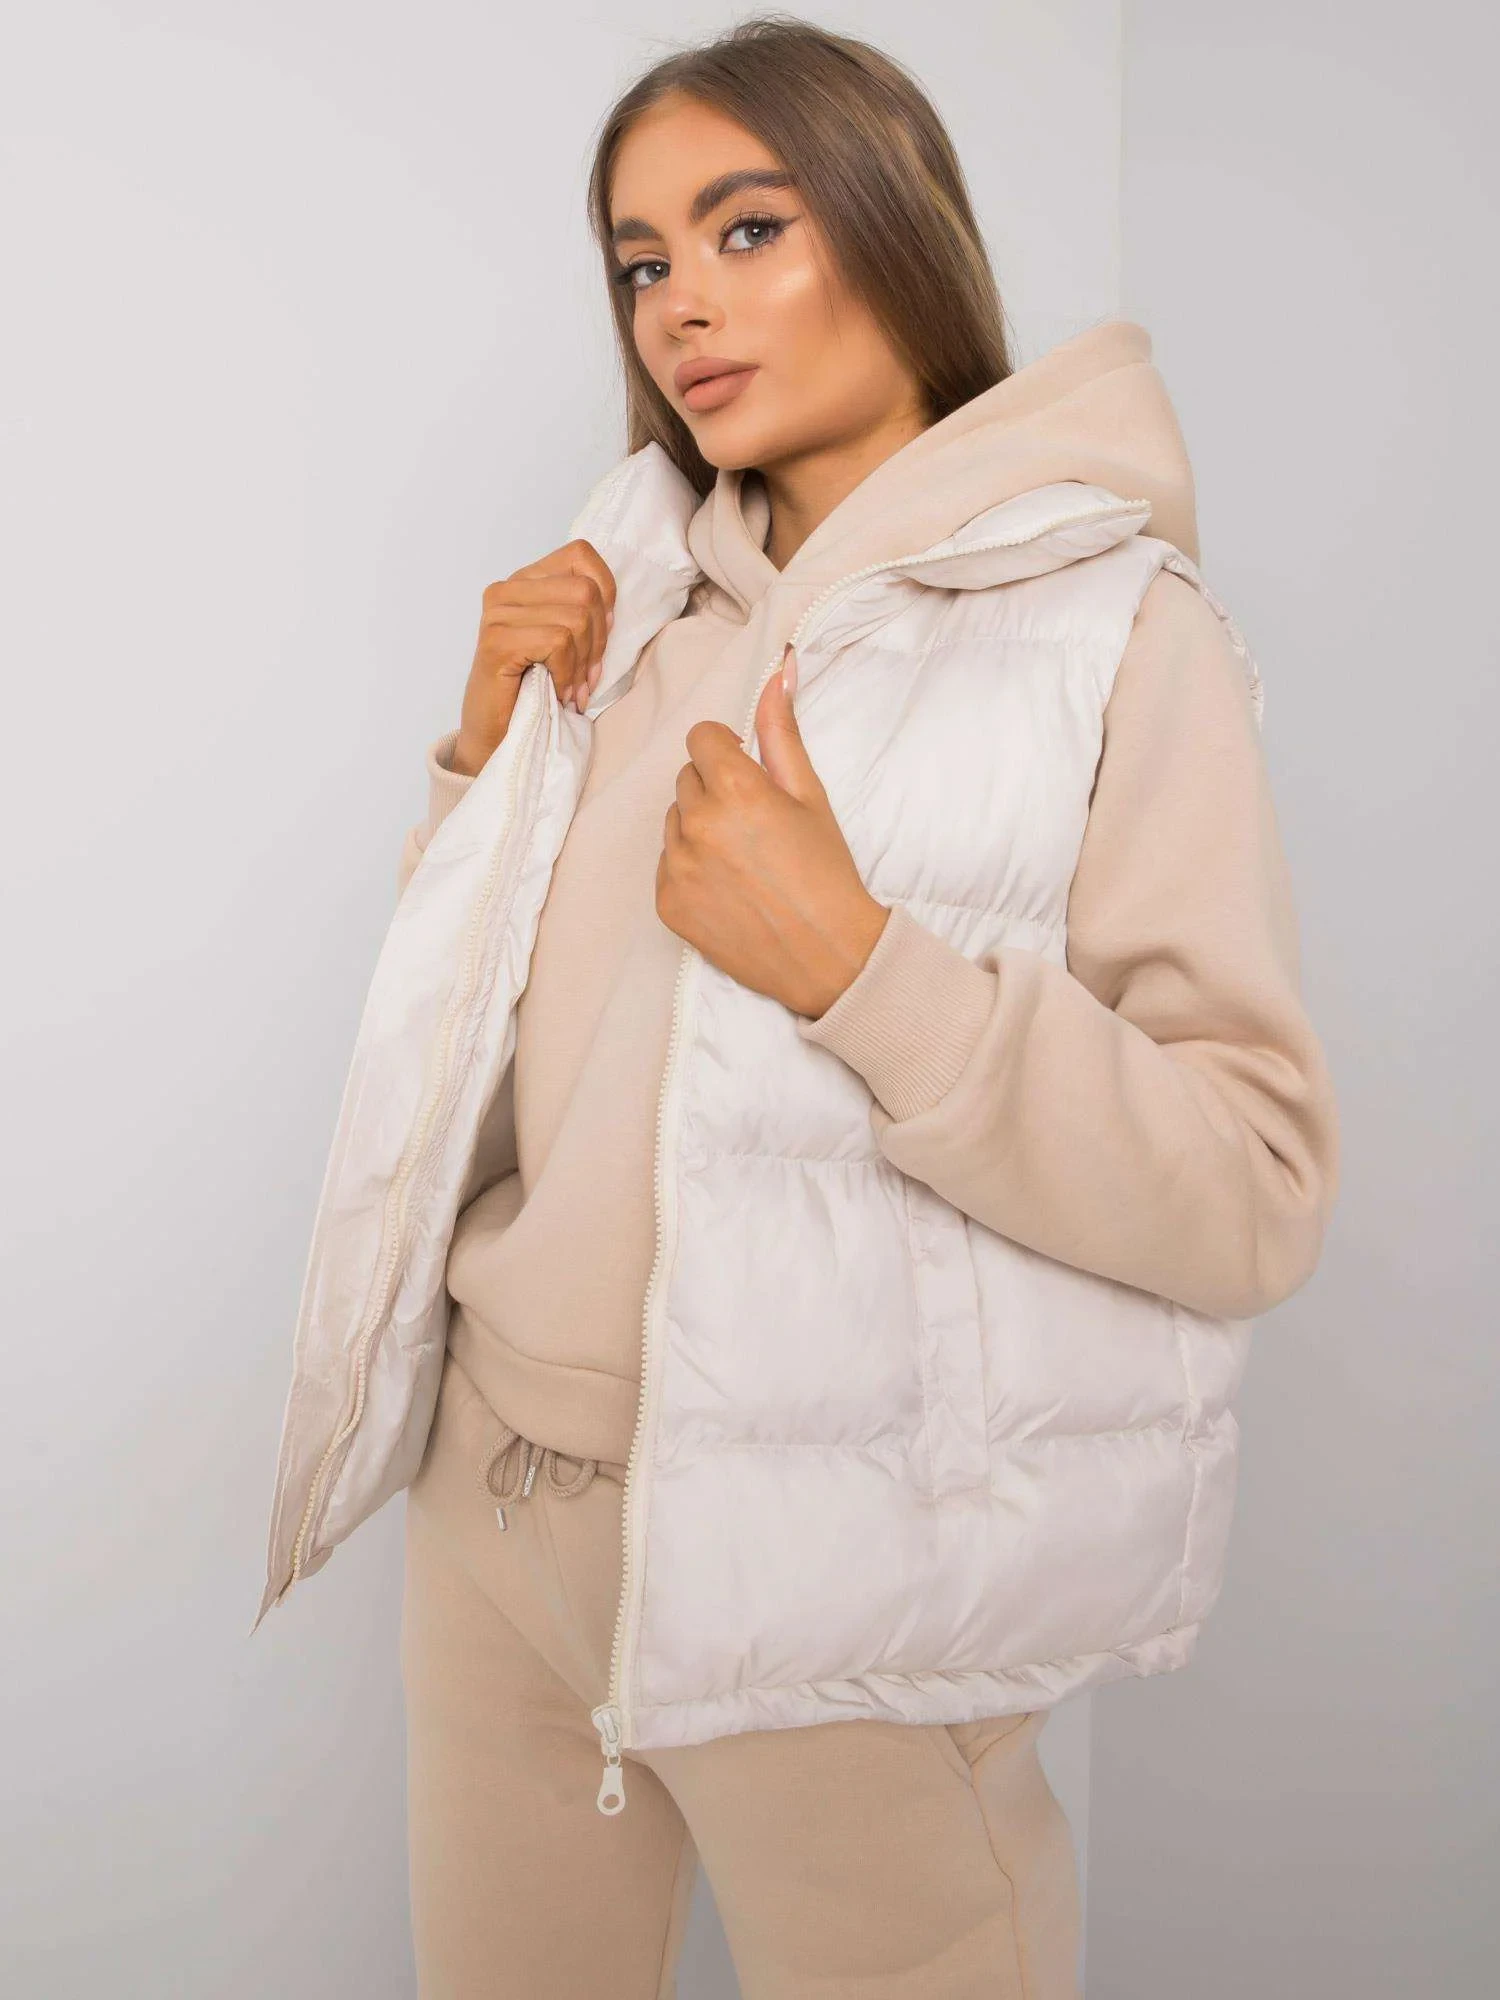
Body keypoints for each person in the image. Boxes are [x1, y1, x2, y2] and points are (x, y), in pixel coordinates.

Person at [257, 16, 1340, 1996]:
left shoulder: (1119, 636)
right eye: (642, 260)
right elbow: (492, 1085)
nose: (680, 303)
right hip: (499, 1512)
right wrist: (485, 769)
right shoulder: (630, 616)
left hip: (838, 1572)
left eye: (746, 228)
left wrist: (862, 970)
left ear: (893, 222)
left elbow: (1253, 1185)